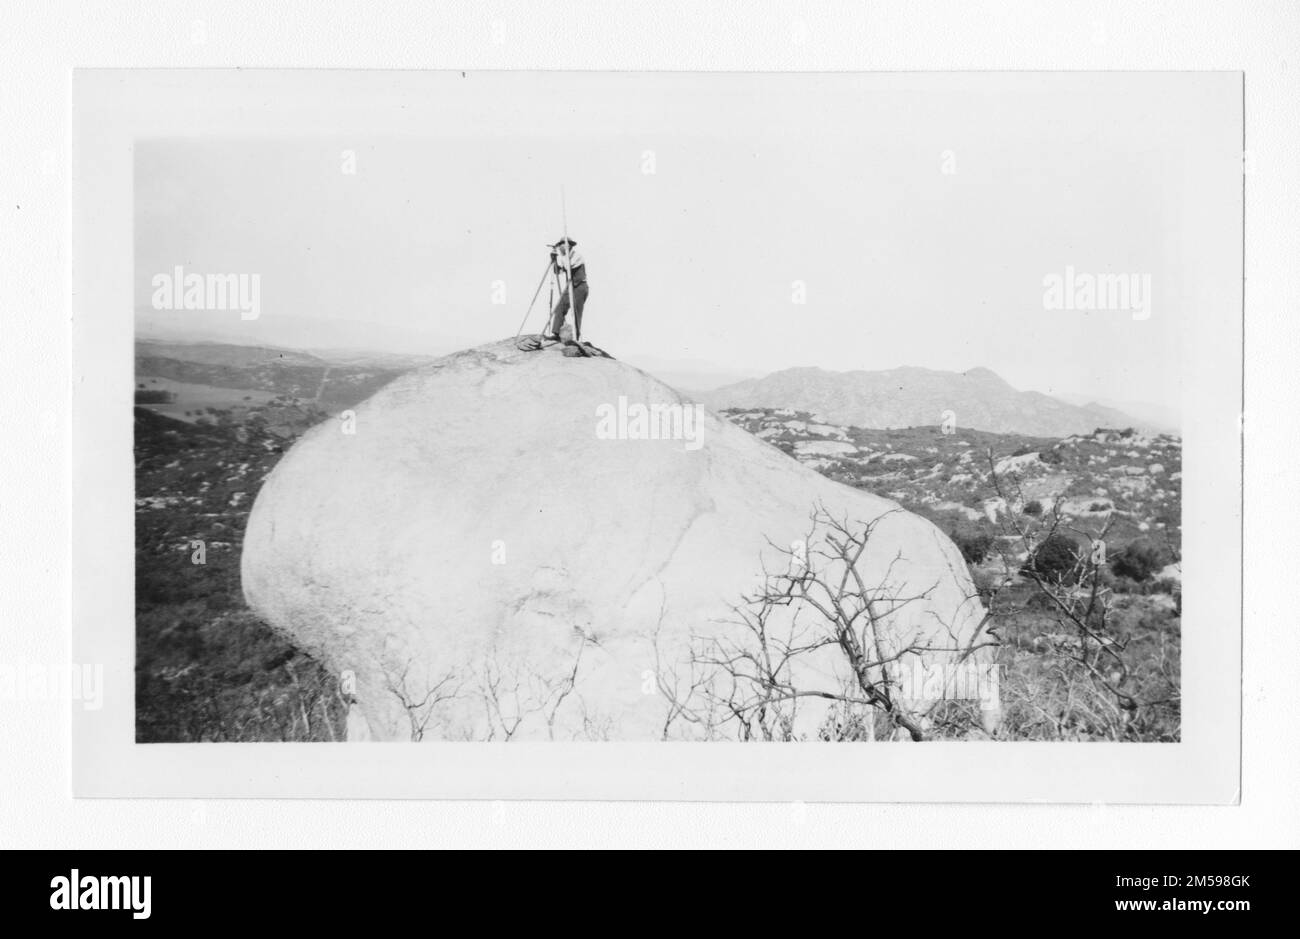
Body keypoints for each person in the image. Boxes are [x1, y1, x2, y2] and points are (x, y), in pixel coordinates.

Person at [544, 237, 589, 342]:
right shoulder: (565, 257)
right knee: (560, 307)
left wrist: (559, 258)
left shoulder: (577, 256)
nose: (559, 247)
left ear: (568, 245)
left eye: (561, 245)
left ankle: (576, 338)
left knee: (577, 313)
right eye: (559, 245)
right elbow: (558, 272)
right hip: (570, 287)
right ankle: (556, 333)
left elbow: (568, 266)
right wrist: (554, 260)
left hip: (580, 287)